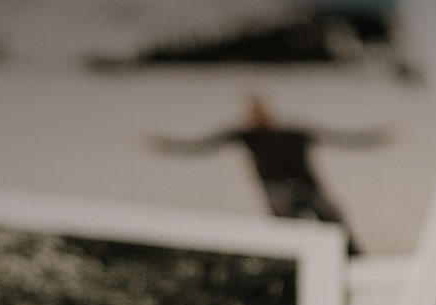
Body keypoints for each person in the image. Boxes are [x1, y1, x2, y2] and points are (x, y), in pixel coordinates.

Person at [149, 94, 389, 255]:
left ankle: (357, 262)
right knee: (290, 239)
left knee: (333, 228)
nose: (259, 116)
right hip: (280, 191)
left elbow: (344, 138)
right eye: (254, 112)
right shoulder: (249, 134)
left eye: (260, 111)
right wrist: (163, 144)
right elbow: (200, 145)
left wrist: (379, 136)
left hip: (305, 187)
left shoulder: (293, 132)